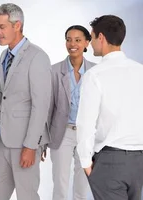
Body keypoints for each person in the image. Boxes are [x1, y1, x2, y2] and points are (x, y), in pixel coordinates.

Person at [0, 3, 52, 200]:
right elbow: (3, 94)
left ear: (17, 25)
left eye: (1, 27)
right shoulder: (4, 55)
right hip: (3, 140)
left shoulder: (37, 57)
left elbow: (41, 106)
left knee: (27, 195)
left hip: (25, 142)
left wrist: (31, 146)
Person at [76, 15, 143, 200]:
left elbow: (85, 123)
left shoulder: (95, 75)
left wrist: (85, 163)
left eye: (92, 37)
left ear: (101, 38)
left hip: (110, 162)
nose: (90, 45)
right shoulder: (140, 71)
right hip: (138, 162)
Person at [48, 25, 94, 200]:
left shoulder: (95, 72)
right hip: (62, 132)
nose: (72, 44)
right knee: (60, 184)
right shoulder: (53, 71)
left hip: (87, 134)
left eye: (77, 40)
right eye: (68, 39)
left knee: (82, 186)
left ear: (86, 43)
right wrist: (43, 139)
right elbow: (48, 107)